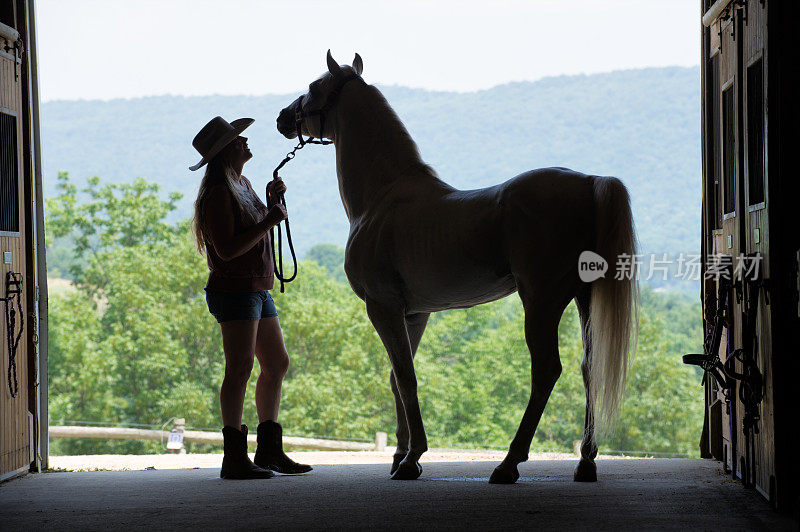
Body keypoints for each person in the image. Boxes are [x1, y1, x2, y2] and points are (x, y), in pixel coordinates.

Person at [189, 116, 312, 479]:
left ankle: (269, 450)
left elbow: (254, 228)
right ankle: (234, 458)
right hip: (235, 290)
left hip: (257, 288)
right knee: (240, 368)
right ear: (226, 151)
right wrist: (268, 221)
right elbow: (226, 250)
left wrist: (271, 202)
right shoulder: (217, 193)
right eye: (237, 139)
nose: (244, 142)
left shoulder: (240, 183)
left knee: (276, 364)